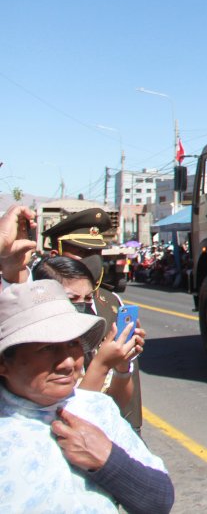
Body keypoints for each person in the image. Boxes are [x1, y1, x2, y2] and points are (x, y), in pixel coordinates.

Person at [0, 279, 173, 513]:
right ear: (3, 364)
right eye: (47, 348)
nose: (68, 363)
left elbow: (159, 501)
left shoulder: (97, 408)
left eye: (73, 344)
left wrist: (107, 460)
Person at [40, 208, 145, 433]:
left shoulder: (111, 301)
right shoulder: (41, 305)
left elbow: (122, 391)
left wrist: (123, 362)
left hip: (113, 427)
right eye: (80, 251)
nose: (92, 260)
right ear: (55, 253)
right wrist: (103, 363)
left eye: (96, 251)